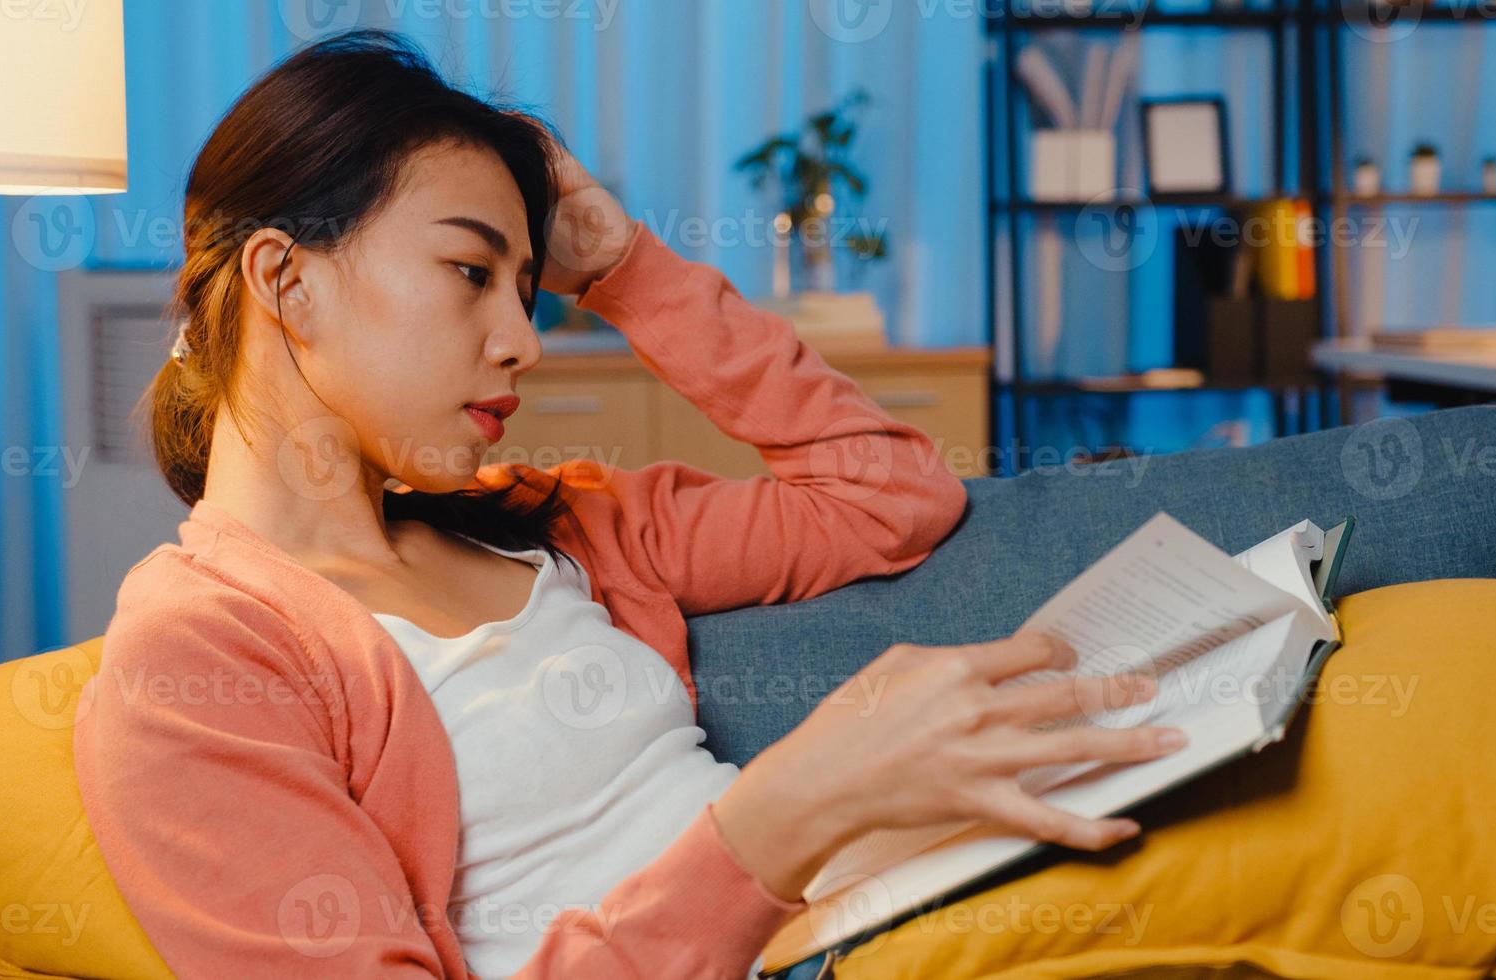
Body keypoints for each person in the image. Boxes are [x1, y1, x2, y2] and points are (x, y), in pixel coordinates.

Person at [73, 30, 1187, 978]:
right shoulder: (196, 664)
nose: (522, 340)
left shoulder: (561, 523)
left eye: (526, 288)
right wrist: (781, 814)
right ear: (283, 279)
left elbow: (890, 491)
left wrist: (620, 266)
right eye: (470, 272)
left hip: (913, 912)